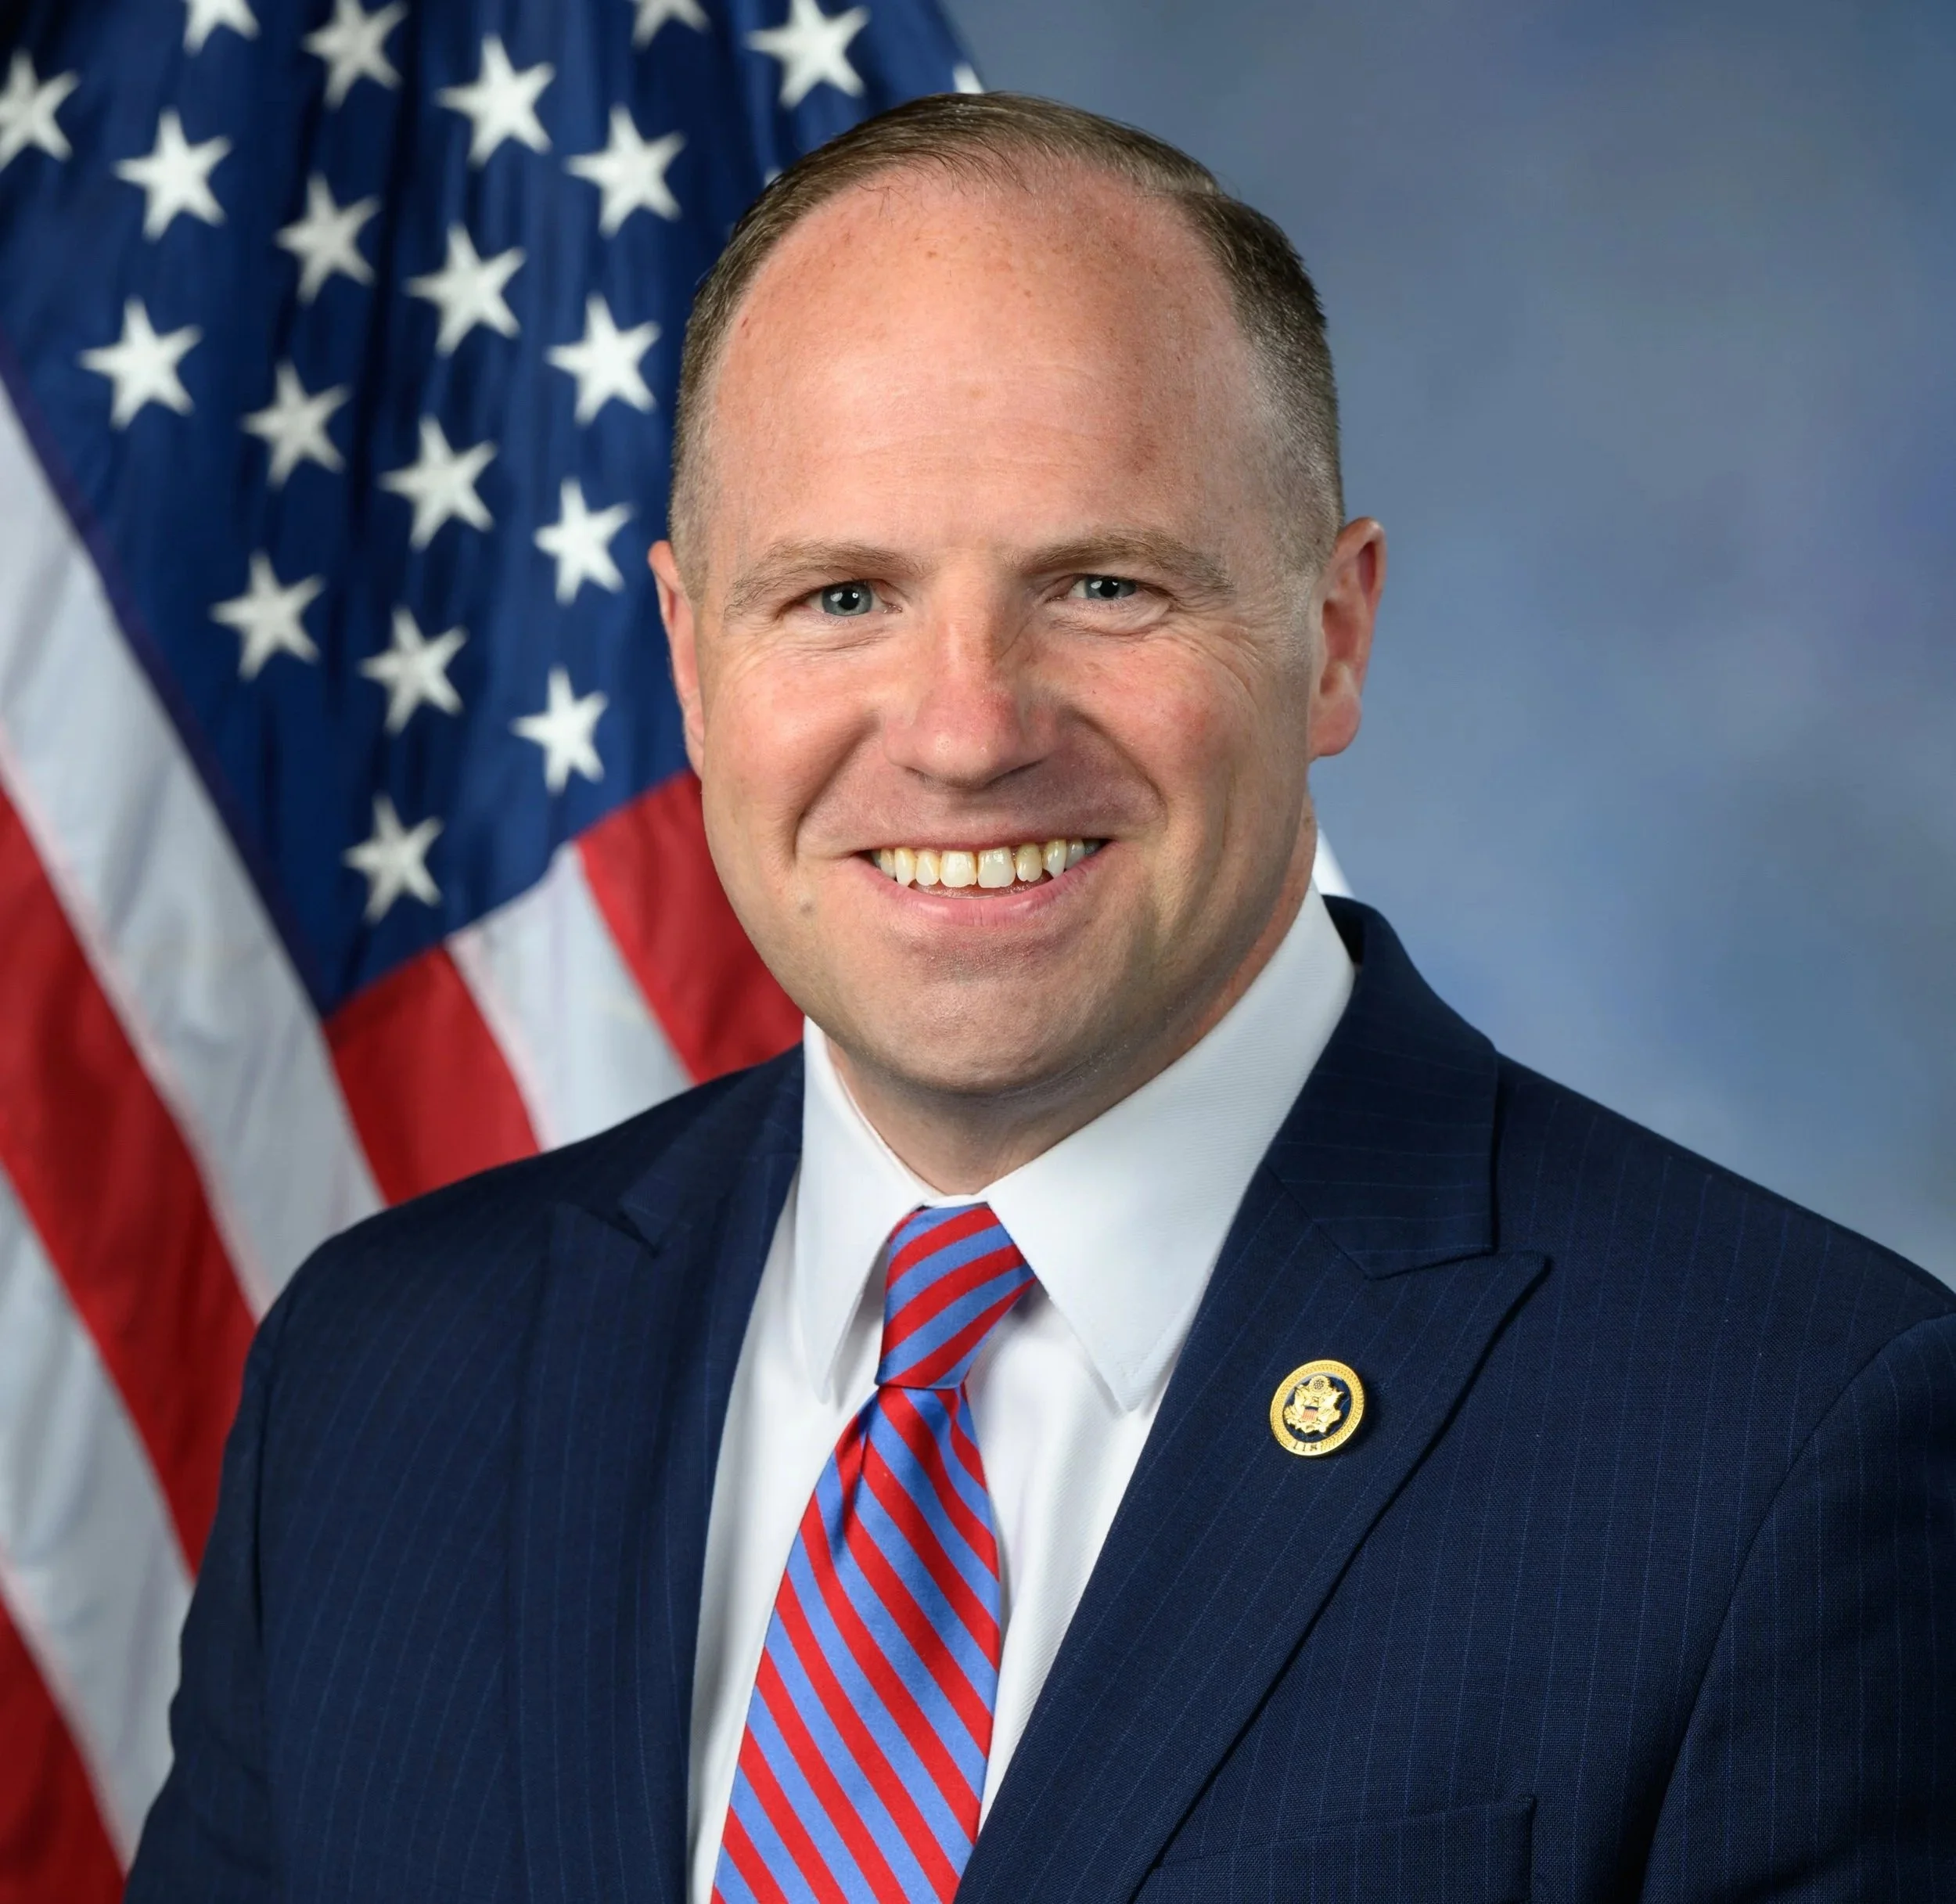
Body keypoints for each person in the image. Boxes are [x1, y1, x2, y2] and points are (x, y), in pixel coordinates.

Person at [128, 93, 1955, 1903]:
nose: (964, 730)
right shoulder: (382, 1380)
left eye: (1100, 584)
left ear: (1331, 634)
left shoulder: (1780, 1438)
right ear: (690, 661)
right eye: (842, 594)